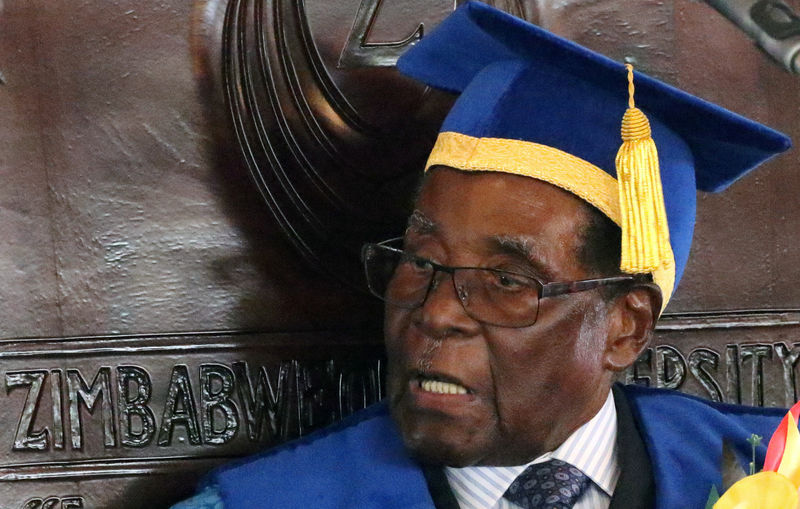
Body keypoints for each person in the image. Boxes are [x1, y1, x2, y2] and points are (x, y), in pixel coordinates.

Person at [172, 2, 792, 508]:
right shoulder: (272, 502)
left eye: (504, 279)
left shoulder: (776, 472)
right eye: (420, 261)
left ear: (625, 326)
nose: (437, 314)